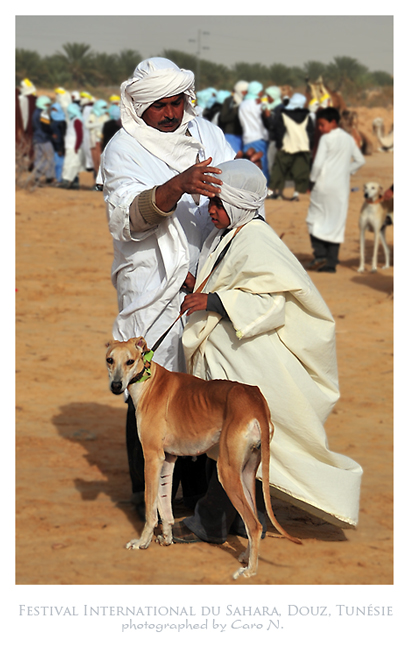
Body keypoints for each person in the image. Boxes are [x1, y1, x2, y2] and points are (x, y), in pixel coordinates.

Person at [170, 158, 362, 544]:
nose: (211, 210)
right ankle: (243, 517)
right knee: (234, 441)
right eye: (211, 202)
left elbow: (273, 303)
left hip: (249, 356)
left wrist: (215, 301)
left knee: (233, 441)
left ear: (239, 204)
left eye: (218, 204)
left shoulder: (257, 239)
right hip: (229, 353)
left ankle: (211, 521)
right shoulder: (229, 234)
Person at [98, 57, 238, 513]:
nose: (172, 114)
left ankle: (198, 500)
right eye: (160, 106)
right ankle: (147, 498)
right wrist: (178, 183)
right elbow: (127, 217)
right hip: (150, 285)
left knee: (199, 385)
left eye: (177, 103)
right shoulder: (122, 149)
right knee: (144, 383)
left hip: (206, 277)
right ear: (140, 106)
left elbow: (236, 194)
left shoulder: (208, 136)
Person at [306, 106, 365, 273]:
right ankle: (331, 263)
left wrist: (312, 180)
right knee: (336, 222)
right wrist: (347, 170)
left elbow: (317, 164)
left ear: (333, 122)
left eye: (322, 124)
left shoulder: (326, 139)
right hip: (341, 188)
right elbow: (360, 161)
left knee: (314, 219)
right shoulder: (348, 138)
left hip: (323, 185)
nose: (319, 128)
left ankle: (320, 254)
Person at [268, 93, 315, 201]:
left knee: (278, 170)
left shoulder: (283, 114)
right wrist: (310, 147)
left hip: (287, 147)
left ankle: (274, 193)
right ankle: (295, 195)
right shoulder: (307, 116)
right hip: (303, 147)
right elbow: (311, 133)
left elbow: (279, 131)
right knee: (300, 172)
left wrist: (279, 145)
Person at [238, 81, 270, 184]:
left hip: (247, 139)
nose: (261, 93)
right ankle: (263, 187)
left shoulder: (242, 104)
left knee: (248, 166)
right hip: (258, 137)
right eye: (260, 91)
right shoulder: (258, 104)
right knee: (261, 164)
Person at [31, 96, 56, 185]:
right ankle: (49, 178)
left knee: (38, 158)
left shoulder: (35, 112)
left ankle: (37, 178)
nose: (48, 106)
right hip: (44, 139)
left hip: (36, 138)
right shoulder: (43, 113)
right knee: (50, 157)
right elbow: (46, 127)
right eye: (47, 104)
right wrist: (52, 133)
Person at [58, 103, 84, 189]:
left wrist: (76, 147)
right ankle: (74, 183)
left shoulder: (77, 121)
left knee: (69, 164)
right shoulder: (73, 120)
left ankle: (66, 182)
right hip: (71, 146)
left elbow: (79, 135)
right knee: (73, 164)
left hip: (73, 147)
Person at [217, 80, 248, 153]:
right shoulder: (229, 101)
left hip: (243, 136)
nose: (245, 94)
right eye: (244, 92)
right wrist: (236, 110)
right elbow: (223, 118)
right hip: (231, 135)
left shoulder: (246, 101)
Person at [84, 99, 109, 179]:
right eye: (102, 107)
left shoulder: (105, 117)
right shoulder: (92, 116)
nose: (104, 109)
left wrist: (94, 125)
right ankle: (97, 180)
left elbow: (104, 126)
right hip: (93, 140)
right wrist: (99, 124)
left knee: (100, 160)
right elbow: (87, 125)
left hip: (101, 140)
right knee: (95, 161)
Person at [50, 102, 67, 183]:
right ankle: (55, 178)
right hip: (52, 145)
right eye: (52, 109)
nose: (53, 112)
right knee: (53, 164)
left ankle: (59, 179)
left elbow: (64, 136)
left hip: (59, 146)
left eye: (55, 110)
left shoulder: (62, 122)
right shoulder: (51, 120)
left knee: (59, 164)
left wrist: (61, 148)